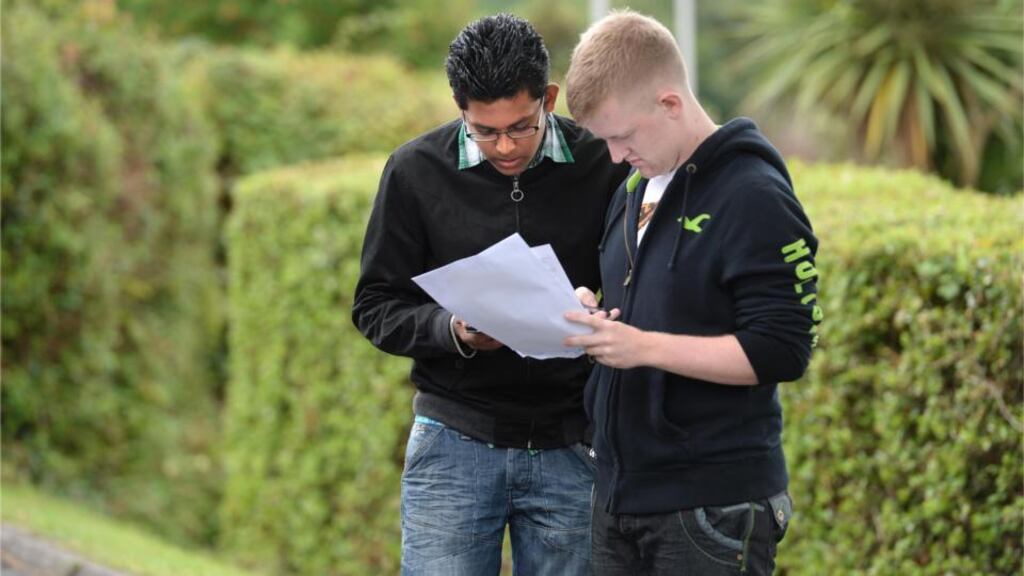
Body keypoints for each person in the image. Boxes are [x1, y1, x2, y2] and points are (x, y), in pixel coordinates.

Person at [352, 13, 628, 576]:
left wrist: (600, 311)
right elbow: (375, 305)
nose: (505, 147)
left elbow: (637, 281)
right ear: (459, 107)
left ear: (549, 98)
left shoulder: (604, 163)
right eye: (485, 130)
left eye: (522, 126)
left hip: (573, 445)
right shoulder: (413, 172)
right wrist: (453, 331)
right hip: (454, 441)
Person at [561, 10, 823, 576]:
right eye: (604, 140)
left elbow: (783, 349)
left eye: (622, 136)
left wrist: (643, 347)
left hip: (711, 509)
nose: (613, 156)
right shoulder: (635, 187)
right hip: (616, 498)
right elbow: (650, 301)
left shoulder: (754, 194)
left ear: (670, 104)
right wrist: (600, 317)